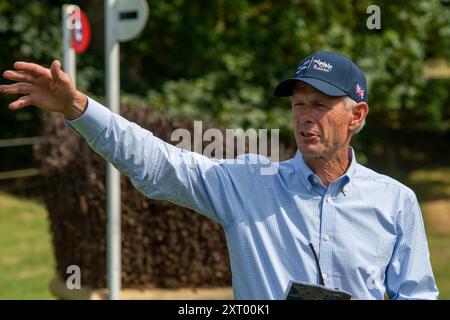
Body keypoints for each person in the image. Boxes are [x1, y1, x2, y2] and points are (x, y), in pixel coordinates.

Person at [0, 50, 438, 300]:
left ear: (356, 115)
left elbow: (417, 296)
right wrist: (81, 109)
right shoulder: (248, 184)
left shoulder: (395, 202)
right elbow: (157, 163)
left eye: (320, 106)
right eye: (298, 104)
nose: (306, 118)